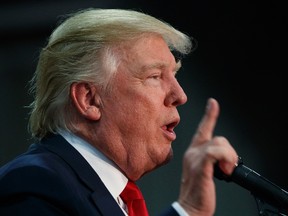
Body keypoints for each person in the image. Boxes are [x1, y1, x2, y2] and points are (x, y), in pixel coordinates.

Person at [0, 8, 238, 216]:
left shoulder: (105, 192)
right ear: (89, 99)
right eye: (154, 77)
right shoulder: (36, 186)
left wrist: (190, 210)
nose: (180, 95)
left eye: (174, 75)